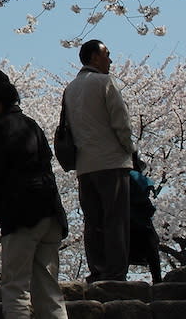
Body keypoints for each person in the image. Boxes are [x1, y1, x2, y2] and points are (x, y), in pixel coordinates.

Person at [0, 68, 69, 319]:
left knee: (15, 288)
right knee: (49, 291)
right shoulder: (31, 125)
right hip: (50, 212)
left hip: (21, 215)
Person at [63, 39, 135, 282]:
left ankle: (98, 270)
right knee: (115, 219)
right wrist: (130, 150)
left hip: (84, 165)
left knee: (92, 220)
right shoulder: (105, 82)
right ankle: (115, 273)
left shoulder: (70, 88)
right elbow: (121, 123)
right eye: (107, 54)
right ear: (94, 57)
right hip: (112, 161)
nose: (110, 60)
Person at [128, 153, 163, 284]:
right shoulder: (138, 177)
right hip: (141, 220)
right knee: (152, 247)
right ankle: (157, 279)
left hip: (122, 220)